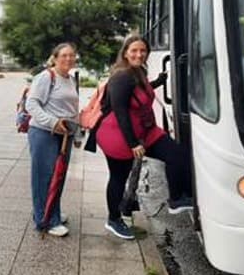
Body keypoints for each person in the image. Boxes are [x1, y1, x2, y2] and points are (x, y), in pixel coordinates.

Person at [96, 35, 193, 240]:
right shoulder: (121, 76)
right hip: (119, 135)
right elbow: (121, 111)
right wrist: (132, 144)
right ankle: (113, 220)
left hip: (145, 131)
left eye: (142, 51)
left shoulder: (138, 72)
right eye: (134, 51)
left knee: (178, 155)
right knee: (118, 178)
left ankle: (177, 198)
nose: (139, 54)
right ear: (125, 53)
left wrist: (159, 81)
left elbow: (141, 93)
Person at [26, 43, 80, 237]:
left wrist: (77, 131)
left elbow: (71, 109)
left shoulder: (71, 79)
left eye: (72, 56)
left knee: (58, 176)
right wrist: (52, 122)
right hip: (43, 133)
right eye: (64, 55)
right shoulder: (46, 77)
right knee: (44, 178)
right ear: (55, 57)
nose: (68, 59)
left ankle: (52, 212)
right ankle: (45, 221)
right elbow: (31, 103)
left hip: (64, 135)